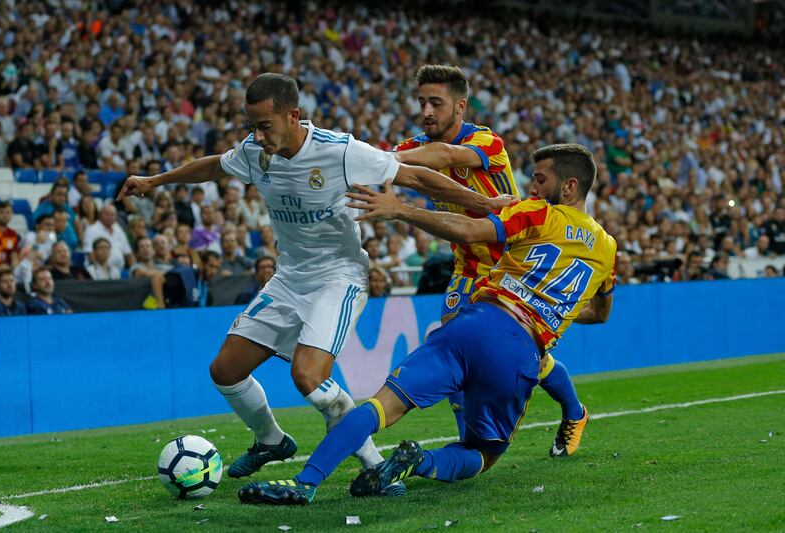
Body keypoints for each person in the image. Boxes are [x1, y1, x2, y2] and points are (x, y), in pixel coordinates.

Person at [116, 72, 511, 497]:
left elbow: (414, 176)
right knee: (225, 371)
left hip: (340, 277)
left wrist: (486, 204)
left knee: (307, 375)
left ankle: (375, 467)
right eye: (251, 125)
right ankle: (272, 441)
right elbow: (213, 165)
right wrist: (154, 181)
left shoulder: (339, 151)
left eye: (265, 125)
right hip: (290, 278)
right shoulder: (254, 152)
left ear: (294, 116)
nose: (257, 135)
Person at [239, 143, 617, 505]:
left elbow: (469, 231)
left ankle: (305, 483)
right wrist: (552, 313)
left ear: (569, 186)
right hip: (522, 348)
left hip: (474, 323)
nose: (532, 187)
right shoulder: (608, 249)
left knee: (381, 406)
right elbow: (600, 315)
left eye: (540, 179)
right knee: (483, 453)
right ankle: (419, 461)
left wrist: (401, 210)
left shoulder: (540, 213)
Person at [395, 65, 588, 457]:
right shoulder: (415, 145)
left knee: (535, 357)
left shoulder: (487, 143)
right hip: (467, 264)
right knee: (455, 342)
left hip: (511, 264)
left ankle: (574, 411)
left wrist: (386, 160)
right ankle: (469, 441)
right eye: (422, 103)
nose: (427, 111)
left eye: (436, 102)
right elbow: (386, 164)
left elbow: (444, 155)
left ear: (460, 106)